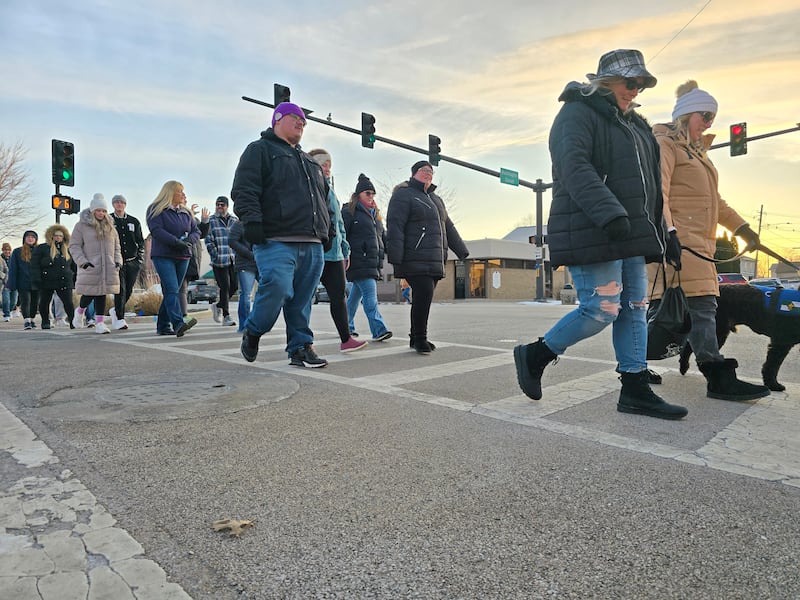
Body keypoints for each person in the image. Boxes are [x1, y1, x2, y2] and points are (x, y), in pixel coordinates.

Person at [511, 49, 688, 420]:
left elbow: (651, 186)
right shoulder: (577, 112)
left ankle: (635, 388)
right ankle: (536, 354)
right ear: (605, 81)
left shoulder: (637, 126)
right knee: (602, 309)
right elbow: (573, 167)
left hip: (631, 234)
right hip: (595, 227)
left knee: (635, 309)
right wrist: (609, 214)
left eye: (641, 84)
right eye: (630, 82)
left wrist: (664, 231)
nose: (635, 90)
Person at [649, 80, 769, 402]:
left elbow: (716, 202)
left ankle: (639, 364)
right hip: (679, 245)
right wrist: (668, 233)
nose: (709, 123)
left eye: (712, 117)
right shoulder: (666, 146)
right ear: (685, 115)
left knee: (698, 311)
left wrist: (742, 227)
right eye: (704, 115)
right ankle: (716, 375)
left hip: (700, 247)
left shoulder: (698, 154)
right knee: (700, 309)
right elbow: (656, 194)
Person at [231, 101, 333, 367]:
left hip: (312, 241)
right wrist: (252, 222)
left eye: (303, 122)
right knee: (276, 287)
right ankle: (254, 330)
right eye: (295, 118)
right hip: (276, 239)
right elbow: (245, 190)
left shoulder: (310, 161)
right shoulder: (259, 150)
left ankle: (300, 347)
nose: (301, 123)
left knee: (302, 300)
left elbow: (324, 200)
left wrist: (328, 230)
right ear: (277, 119)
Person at [386, 161, 469, 354]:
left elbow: (448, 227)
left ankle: (415, 337)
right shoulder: (403, 195)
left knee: (423, 298)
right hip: (414, 255)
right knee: (423, 294)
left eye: (430, 171)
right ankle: (420, 338)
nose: (428, 173)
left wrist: (461, 250)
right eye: (423, 170)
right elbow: (395, 224)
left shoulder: (436, 199)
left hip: (434, 257)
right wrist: (395, 256)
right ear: (414, 174)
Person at [309, 148, 367, 353]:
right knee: (305, 297)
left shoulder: (331, 191)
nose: (326, 169)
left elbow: (339, 223)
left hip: (334, 254)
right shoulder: (308, 187)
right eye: (322, 164)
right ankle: (301, 342)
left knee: (338, 296)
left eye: (329, 166)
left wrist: (345, 249)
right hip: (314, 250)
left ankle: (346, 339)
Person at [146, 181, 200, 337]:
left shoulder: (186, 212)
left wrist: (189, 240)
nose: (183, 194)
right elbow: (156, 230)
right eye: (180, 191)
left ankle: (162, 326)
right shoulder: (156, 209)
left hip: (183, 255)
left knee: (173, 290)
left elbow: (196, 231)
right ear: (170, 193)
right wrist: (176, 242)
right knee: (171, 289)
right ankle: (178, 323)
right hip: (164, 255)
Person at [343, 173, 392, 343]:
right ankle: (379, 330)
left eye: (373, 194)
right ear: (358, 195)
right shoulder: (349, 212)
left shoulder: (376, 216)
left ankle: (346, 327)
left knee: (354, 298)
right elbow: (342, 235)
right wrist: (343, 255)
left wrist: (393, 252)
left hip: (372, 262)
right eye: (368, 193)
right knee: (370, 298)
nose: (371, 197)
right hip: (358, 261)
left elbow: (383, 237)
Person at [69, 194, 122, 334]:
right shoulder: (81, 226)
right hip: (91, 266)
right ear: (93, 210)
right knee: (89, 293)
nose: (101, 213)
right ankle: (80, 311)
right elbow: (74, 246)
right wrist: (83, 262)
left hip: (108, 267)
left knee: (102, 294)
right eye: (98, 210)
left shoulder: (111, 227)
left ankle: (100, 323)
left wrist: (118, 261)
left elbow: (117, 247)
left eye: (104, 211)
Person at [109, 194, 145, 330]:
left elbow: (140, 241)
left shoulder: (133, 221)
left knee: (128, 289)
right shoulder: (109, 220)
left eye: (122, 202)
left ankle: (116, 310)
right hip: (117, 261)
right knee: (120, 289)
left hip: (132, 261)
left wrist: (139, 258)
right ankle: (120, 318)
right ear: (113, 204)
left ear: (125, 204)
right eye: (117, 202)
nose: (119, 205)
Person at [31, 224, 76, 330]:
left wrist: (75, 278)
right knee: (44, 302)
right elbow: (35, 265)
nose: (58, 238)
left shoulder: (68, 249)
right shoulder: (43, 248)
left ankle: (72, 321)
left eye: (60, 236)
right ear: (51, 236)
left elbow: (74, 266)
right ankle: (45, 321)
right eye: (56, 235)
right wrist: (37, 278)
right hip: (47, 279)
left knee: (68, 302)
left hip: (64, 280)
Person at [206, 196, 239, 327]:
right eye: (217, 205)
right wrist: (215, 254)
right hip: (219, 260)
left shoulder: (234, 220)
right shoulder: (211, 221)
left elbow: (238, 237)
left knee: (234, 286)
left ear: (227, 206)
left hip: (233, 258)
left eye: (222, 205)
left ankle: (218, 305)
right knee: (224, 287)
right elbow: (208, 240)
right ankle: (226, 315)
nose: (219, 207)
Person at [227, 219, 258, 333]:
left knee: (266, 292)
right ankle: (244, 325)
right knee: (246, 294)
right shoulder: (239, 223)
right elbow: (232, 241)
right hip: (245, 263)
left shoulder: (263, 221)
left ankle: (256, 322)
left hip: (261, 261)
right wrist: (249, 254)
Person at [181, 203, 210, 316]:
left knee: (179, 290)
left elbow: (201, 234)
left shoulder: (193, 219)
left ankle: (165, 321)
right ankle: (183, 317)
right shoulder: (174, 217)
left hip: (192, 257)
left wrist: (204, 222)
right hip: (180, 256)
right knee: (180, 290)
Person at [7, 231, 39, 330]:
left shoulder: (39, 251)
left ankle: (33, 319)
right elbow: (13, 269)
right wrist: (12, 283)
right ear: (24, 239)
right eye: (28, 237)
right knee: (26, 301)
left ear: (35, 239)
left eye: (33, 237)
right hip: (23, 281)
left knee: (35, 302)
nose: (30, 239)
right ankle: (27, 321)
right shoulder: (17, 251)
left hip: (37, 281)